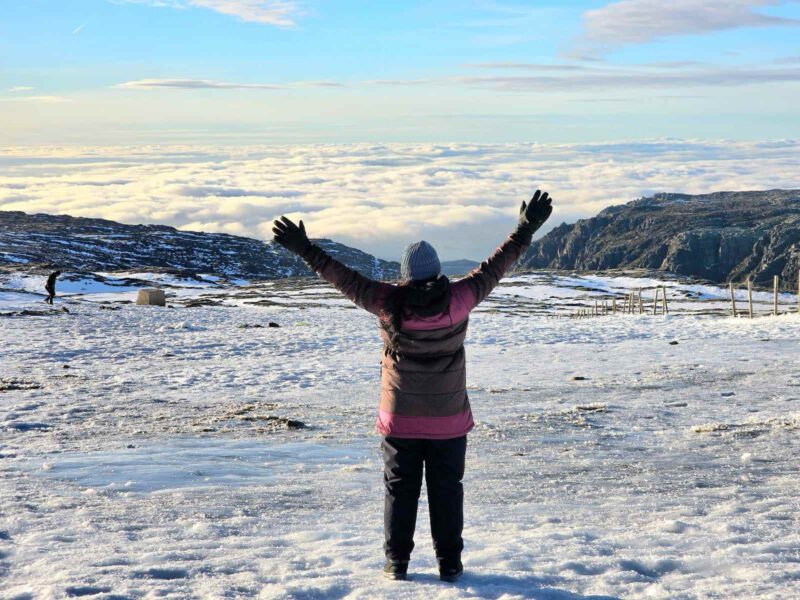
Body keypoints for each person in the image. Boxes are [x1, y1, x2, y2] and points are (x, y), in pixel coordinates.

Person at [272, 190, 553, 583]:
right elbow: (496, 266)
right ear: (438, 271)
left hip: (400, 417)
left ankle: (396, 563)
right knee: (447, 491)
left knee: (399, 491)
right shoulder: (460, 298)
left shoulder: (386, 301)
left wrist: (305, 249)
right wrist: (525, 229)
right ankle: (449, 564)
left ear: (406, 275)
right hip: (449, 418)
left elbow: (342, 277)